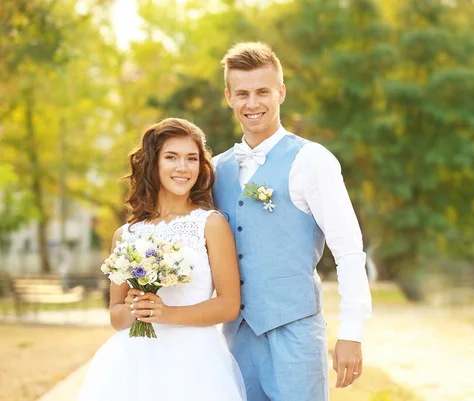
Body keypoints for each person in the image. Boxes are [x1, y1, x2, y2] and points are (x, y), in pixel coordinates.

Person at [213, 42, 372, 401]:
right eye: (242, 94)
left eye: (262, 92)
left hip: (295, 335)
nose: (252, 103)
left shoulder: (312, 160)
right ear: (228, 97)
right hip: (236, 337)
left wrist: (352, 331)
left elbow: (348, 250)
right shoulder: (216, 169)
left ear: (281, 92)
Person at [78, 118, 246, 401]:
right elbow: (117, 316)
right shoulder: (126, 234)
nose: (183, 167)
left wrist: (166, 314)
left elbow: (229, 305)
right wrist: (137, 308)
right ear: (153, 163)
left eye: (191, 159)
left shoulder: (210, 224)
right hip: (132, 364)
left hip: (195, 363)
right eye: (172, 157)